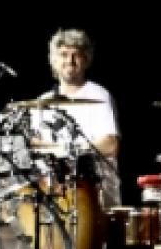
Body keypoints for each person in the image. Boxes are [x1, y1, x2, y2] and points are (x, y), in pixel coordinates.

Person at [30, 28, 121, 208]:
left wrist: (67, 151)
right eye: (63, 55)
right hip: (55, 192)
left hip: (96, 192)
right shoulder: (43, 101)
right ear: (54, 60)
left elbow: (111, 145)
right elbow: (34, 145)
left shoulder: (99, 95)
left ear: (86, 60)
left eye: (76, 55)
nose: (69, 61)